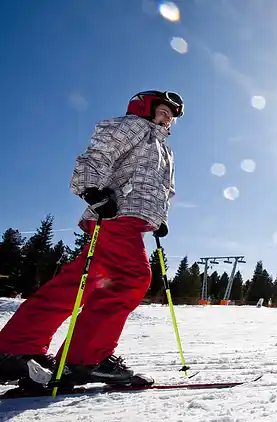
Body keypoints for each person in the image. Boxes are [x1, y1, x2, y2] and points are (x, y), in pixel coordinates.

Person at [0, 90, 183, 388]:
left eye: (172, 117)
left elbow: (164, 189)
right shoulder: (133, 126)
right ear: (145, 108)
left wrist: (160, 219)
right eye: (163, 111)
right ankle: (85, 359)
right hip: (117, 213)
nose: (167, 119)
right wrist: (91, 190)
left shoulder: (163, 148)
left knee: (77, 284)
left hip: (131, 217)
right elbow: (100, 153)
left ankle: (16, 347)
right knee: (130, 278)